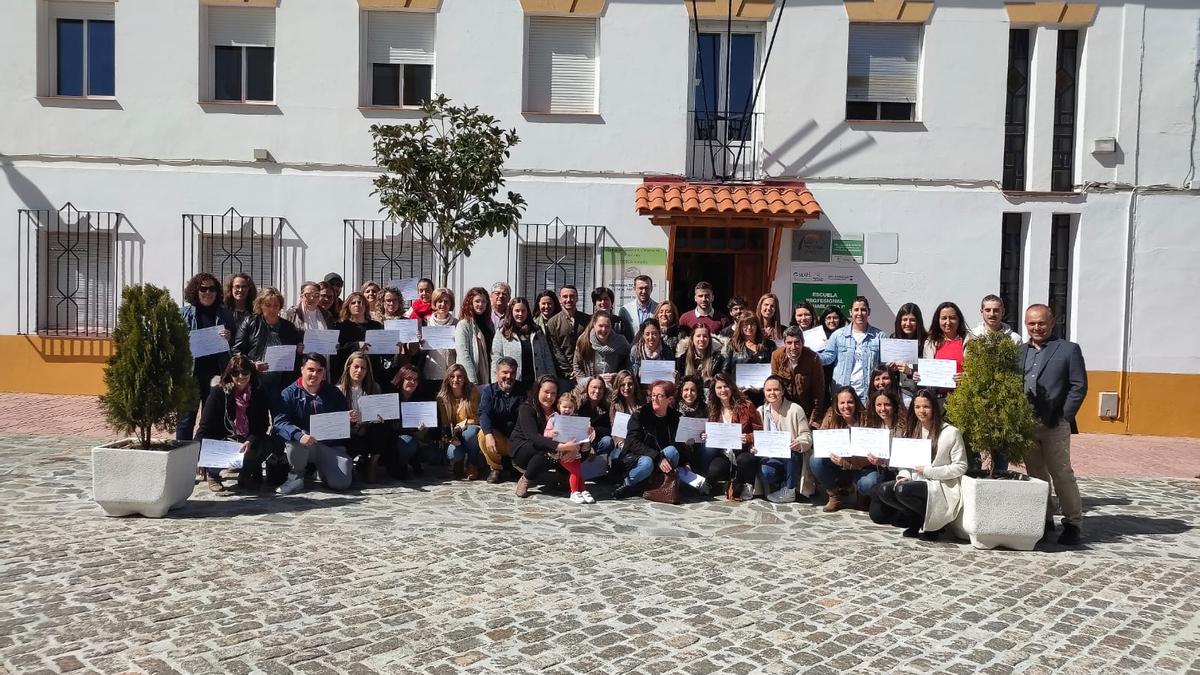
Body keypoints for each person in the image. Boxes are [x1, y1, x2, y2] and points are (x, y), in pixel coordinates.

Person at [1021, 304, 1087, 545]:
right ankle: (1044, 519)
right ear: (1026, 324)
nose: (1036, 327)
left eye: (1041, 323)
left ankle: (1072, 523)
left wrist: (1064, 417)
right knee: (1036, 475)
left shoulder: (1068, 350)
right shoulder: (1020, 351)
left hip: (1054, 423)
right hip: (1026, 423)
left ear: (1052, 322)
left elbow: (1079, 385)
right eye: (1031, 323)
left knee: (1061, 474)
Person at [875, 389, 968, 540]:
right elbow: (904, 461)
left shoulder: (951, 432)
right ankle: (916, 518)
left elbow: (961, 466)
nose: (921, 411)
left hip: (939, 484)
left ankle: (933, 525)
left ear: (934, 408)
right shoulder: (912, 430)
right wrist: (904, 475)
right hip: (915, 479)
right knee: (885, 490)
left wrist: (930, 471)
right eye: (917, 407)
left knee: (902, 490)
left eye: (926, 407)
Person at [272, 353, 353, 494]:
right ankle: (295, 478)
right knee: (295, 440)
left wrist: (349, 418)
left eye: (319, 370)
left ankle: (321, 471)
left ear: (324, 373)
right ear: (302, 369)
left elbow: (342, 418)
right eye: (311, 369)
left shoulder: (333, 392)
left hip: (329, 446)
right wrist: (298, 434)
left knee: (341, 484)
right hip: (303, 445)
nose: (314, 374)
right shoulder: (288, 393)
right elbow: (280, 422)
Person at [196, 355, 275, 492]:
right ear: (229, 374)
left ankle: (245, 475)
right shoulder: (219, 392)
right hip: (224, 438)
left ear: (251, 372)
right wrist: (197, 454)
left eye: (245, 372)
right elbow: (205, 426)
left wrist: (250, 441)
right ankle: (213, 475)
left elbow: (263, 424)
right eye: (235, 373)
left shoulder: (258, 391)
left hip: (246, 438)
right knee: (211, 447)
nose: (241, 376)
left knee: (268, 444)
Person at [178, 272, 238, 441]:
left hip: (217, 375)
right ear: (195, 291)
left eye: (212, 289)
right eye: (203, 288)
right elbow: (174, 342)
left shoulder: (225, 314)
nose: (208, 292)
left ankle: (205, 462)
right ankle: (183, 458)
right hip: (190, 375)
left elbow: (234, 343)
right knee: (185, 420)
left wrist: (229, 337)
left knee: (211, 420)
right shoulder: (183, 314)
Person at [510, 376, 581, 498]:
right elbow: (532, 436)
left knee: (579, 452)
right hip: (525, 448)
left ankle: (563, 474)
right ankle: (526, 479)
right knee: (545, 450)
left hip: (553, 447)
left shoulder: (560, 409)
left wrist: (576, 447)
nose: (549, 397)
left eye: (553, 393)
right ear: (538, 390)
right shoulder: (526, 408)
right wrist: (561, 447)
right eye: (546, 392)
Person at [809, 386, 877, 512]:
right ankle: (834, 495)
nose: (846, 406)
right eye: (842, 403)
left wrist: (846, 462)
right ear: (837, 404)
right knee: (815, 460)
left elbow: (871, 455)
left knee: (869, 483)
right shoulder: (830, 416)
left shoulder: (867, 419)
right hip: (838, 466)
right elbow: (823, 442)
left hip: (862, 467)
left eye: (850, 402)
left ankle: (862, 494)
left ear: (856, 402)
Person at [337, 351, 401, 484]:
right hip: (350, 432)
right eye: (356, 367)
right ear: (348, 367)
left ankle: (372, 464)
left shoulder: (374, 387)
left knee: (382, 427)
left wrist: (380, 416)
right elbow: (333, 418)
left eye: (363, 368)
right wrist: (346, 417)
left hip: (369, 429)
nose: (359, 371)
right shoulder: (338, 390)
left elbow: (379, 410)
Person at [614, 380, 684, 499]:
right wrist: (657, 456)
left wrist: (686, 460)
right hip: (638, 457)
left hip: (660, 458)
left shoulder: (675, 417)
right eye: (653, 395)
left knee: (673, 451)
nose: (655, 399)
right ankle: (628, 483)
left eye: (660, 396)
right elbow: (632, 443)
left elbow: (679, 443)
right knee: (647, 463)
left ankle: (650, 483)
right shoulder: (640, 415)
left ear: (669, 399)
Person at [699, 373, 763, 501]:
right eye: (719, 387)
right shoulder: (713, 409)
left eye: (726, 386)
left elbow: (760, 431)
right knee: (715, 469)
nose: (723, 390)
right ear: (714, 390)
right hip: (724, 453)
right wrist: (704, 434)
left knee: (745, 460)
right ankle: (712, 482)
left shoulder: (747, 405)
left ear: (732, 387)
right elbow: (707, 430)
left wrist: (748, 438)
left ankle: (748, 485)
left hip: (743, 450)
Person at [231, 287, 302, 399]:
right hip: (256, 382)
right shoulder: (250, 323)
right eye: (268, 305)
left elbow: (295, 352)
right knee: (258, 416)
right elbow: (236, 351)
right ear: (260, 305)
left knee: (280, 415)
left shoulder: (289, 327)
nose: (272, 309)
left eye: (276, 305)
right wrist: (252, 364)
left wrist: (299, 349)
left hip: (282, 383)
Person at [754, 375, 813, 503]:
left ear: (782, 391)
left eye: (776, 389)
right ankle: (781, 485)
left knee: (791, 452)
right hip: (771, 456)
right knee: (766, 472)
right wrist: (754, 446)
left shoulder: (795, 409)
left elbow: (807, 436)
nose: (772, 393)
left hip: (792, 456)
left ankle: (790, 490)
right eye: (768, 390)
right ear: (764, 392)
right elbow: (755, 436)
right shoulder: (760, 411)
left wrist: (800, 442)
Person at [818, 296, 884, 403]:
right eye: (856, 310)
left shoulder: (879, 336)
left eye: (863, 310)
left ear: (869, 312)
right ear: (850, 312)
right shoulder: (838, 335)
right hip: (843, 393)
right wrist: (812, 355)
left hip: (869, 394)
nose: (859, 313)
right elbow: (828, 357)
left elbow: (884, 366)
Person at [492, 297, 557, 390]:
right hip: (513, 382)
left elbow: (547, 357)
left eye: (523, 311)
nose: (520, 314)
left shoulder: (537, 331)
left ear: (528, 312)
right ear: (511, 312)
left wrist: (552, 380)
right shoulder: (502, 332)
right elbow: (496, 359)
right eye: (517, 311)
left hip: (536, 383)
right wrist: (496, 383)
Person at [863, 388, 906, 525]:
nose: (883, 409)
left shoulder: (904, 427)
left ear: (894, 406)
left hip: (903, 473)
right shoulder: (874, 426)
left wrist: (885, 461)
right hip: (885, 472)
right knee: (877, 516)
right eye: (879, 405)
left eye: (887, 405)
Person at [478, 357, 525, 483]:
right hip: (498, 438)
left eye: (512, 373)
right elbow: (483, 413)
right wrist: (488, 435)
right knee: (483, 434)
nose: (509, 376)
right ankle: (496, 468)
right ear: (497, 373)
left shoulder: (523, 390)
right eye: (505, 372)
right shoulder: (489, 391)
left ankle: (518, 465)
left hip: (518, 439)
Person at [438, 363, 485, 480]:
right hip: (454, 433)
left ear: (464, 378)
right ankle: (457, 462)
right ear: (447, 379)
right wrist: (451, 436)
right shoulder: (442, 398)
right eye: (452, 376)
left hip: (470, 428)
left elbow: (478, 418)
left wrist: (462, 424)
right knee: (453, 454)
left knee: (470, 433)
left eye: (459, 376)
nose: (456, 380)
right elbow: (445, 422)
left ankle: (472, 464)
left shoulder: (473, 391)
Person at [544, 391, 593, 504]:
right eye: (564, 407)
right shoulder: (554, 419)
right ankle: (574, 492)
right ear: (559, 406)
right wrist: (551, 433)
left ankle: (582, 490)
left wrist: (588, 431)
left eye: (570, 407)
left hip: (575, 451)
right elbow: (545, 433)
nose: (567, 410)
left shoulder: (576, 420)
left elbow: (583, 435)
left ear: (574, 408)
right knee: (575, 471)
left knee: (578, 471)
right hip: (561, 452)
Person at [770, 326, 825, 423]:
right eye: (789, 343)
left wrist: (813, 419)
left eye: (797, 342)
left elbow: (818, 392)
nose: (793, 347)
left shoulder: (813, 358)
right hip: (784, 409)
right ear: (784, 344)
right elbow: (774, 384)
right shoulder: (776, 356)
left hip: (806, 410)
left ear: (803, 342)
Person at [723, 315, 775, 406]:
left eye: (752, 324)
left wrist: (764, 386)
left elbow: (775, 369)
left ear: (757, 326)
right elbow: (725, 371)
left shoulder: (769, 345)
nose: (749, 328)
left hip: (764, 397)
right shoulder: (732, 345)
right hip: (740, 396)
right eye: (746, 325)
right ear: (740, 327)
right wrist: (734, 387)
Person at [333, 291, 382, 383]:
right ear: (348, 306)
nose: (357, 305)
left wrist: (394, 346)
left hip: (372, 372)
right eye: (353, 303)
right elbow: (338, 349)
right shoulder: (341, 326)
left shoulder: (376, 326)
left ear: (365, 306)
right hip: (348, 373)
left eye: (360, 302)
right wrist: (356, 345)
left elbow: (383, 348)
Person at [418, 287, 458, 399]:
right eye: (440, 301)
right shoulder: (425, 323)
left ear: (451, 304)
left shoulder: (457, 323)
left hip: (450, 374)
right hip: (430, 373)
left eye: (446, 302)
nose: (443, 305)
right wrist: (420, 343)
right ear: (434, 303)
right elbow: (419, 350)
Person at [546, 285, 591, 382]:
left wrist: (580, 370)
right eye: (565, 296)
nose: (569, 299)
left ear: (577, 298)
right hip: (564, 375)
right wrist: (570, 371)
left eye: (572, 296)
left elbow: (591, 345)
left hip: (586, 371)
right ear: (560, 299)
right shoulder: (553, 322)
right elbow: (555, 350)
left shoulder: (587, 320)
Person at [571, 311, 631, 383]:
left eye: (607, 326)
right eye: (601, 326)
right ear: (594, 324)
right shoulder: (584, 341)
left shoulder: (620, 342)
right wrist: (590, 381)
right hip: (590, 387)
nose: (604, 330)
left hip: (613, 387)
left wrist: (617, 376)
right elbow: (577, 367)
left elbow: (628, 364)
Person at [394, 365, 431, 478]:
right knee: (407, 442)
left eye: (415, 379)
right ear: (401, 379)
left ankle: (415, 461)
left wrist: (425, 427)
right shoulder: (392, 398)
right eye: (408, 378)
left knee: (434, 454)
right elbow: (392, 426)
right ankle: (401, 465)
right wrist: (413, 429)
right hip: (397, 440)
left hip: (419, 438)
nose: (412, 382)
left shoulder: (422, 398)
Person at [923, 301, 969, 387]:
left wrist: (966, 376)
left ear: (959, 320)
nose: (948, 322)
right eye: (944, 318)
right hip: (936, 397)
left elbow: (977, 371)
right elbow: (927, 372)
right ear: (938, 320)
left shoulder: (970, 342)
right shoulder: (930, 343)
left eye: (952, 318)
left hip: (962, 396)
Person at [454, 286, 492, 385]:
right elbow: (463, 354)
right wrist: (472, 380)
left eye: (484, 301)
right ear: (470, 303)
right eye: (477, 301)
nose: (481, 304)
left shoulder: (488, 325)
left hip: (488, 375)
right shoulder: (464, 325)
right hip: (473, 379)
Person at [887, 302, 928, 393]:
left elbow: (929, 369)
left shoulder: (927, 341)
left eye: (912, 320)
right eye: (904, 319)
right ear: (899, 321)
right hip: (899, 392)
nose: (908, 323)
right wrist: (891, 369)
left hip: (920, 392)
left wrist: (911, 371)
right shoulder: (893, 338)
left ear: (918, 322)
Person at [676, 324, 724, 389]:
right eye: (698, 336)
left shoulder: (718, 359)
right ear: (692, 338)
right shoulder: (682, 359)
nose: (701, 339)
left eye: (705, 336)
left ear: (709, 339)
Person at [617, 275, 658, 342]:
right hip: (631, 350)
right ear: (634, 289)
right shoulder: (625, 310)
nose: (644, 291)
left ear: (651, 289)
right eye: (640, 288)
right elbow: (621, 334)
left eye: (646, 288)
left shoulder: (658, 309)